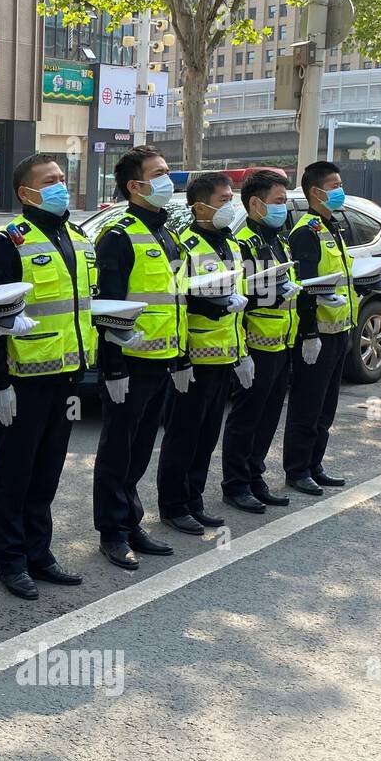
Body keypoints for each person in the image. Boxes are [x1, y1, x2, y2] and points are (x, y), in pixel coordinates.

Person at [0, 154, 95, 600]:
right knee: (14, 473)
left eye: (62, 179)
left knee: (46, 472)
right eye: (50, 181)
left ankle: (38, 553)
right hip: (24, 379)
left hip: (66, 375)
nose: (61, 186)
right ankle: (10, 560)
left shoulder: (78, 238)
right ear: (26, 193)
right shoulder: (11, 242)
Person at [91, 145, 185, 570]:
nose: (169, 178)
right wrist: (111, 367)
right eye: (160, 172)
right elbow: (107, 307)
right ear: (135, 185)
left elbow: (175, 301)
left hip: (162, 359)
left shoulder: (167, 233)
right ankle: (111, 531)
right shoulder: (118, 235)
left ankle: (131, 522)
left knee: (142, 447)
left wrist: (181, 356)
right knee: (118, 449)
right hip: (128, 364)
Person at [155, 172, 250, 535]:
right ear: (200, 206)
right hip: (193, 358)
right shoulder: (185, 245)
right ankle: (174, 505)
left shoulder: (230, 243)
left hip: (224, 356)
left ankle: (193, 499)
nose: (230, 205)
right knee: (183, 435)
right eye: (224, 200)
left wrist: (242, 353)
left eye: (231, 198)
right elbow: (178, 300)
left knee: (207, 436)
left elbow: (237, 303)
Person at [220, 170, 297, 512]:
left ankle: (255, 475)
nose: (284, 208)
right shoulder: (243, 243)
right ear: (255, 203)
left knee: (267, 417)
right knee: (246, 417)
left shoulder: (279, 239)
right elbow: (240, 295)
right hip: (254, 344)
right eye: (279, 201)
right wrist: (242, 353)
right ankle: (236, 483)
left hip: (281, 342)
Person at [283, 161, 356, 495]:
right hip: (318, 335)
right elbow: (306, 286)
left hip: (340, 330)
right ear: (316, 191)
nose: (340, 189)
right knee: (307, 404)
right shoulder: (306, 231)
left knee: (327, 405)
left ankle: (315, 463)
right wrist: (309, 333)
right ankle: (297, 469)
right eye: (334, 184)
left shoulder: (332, 226)